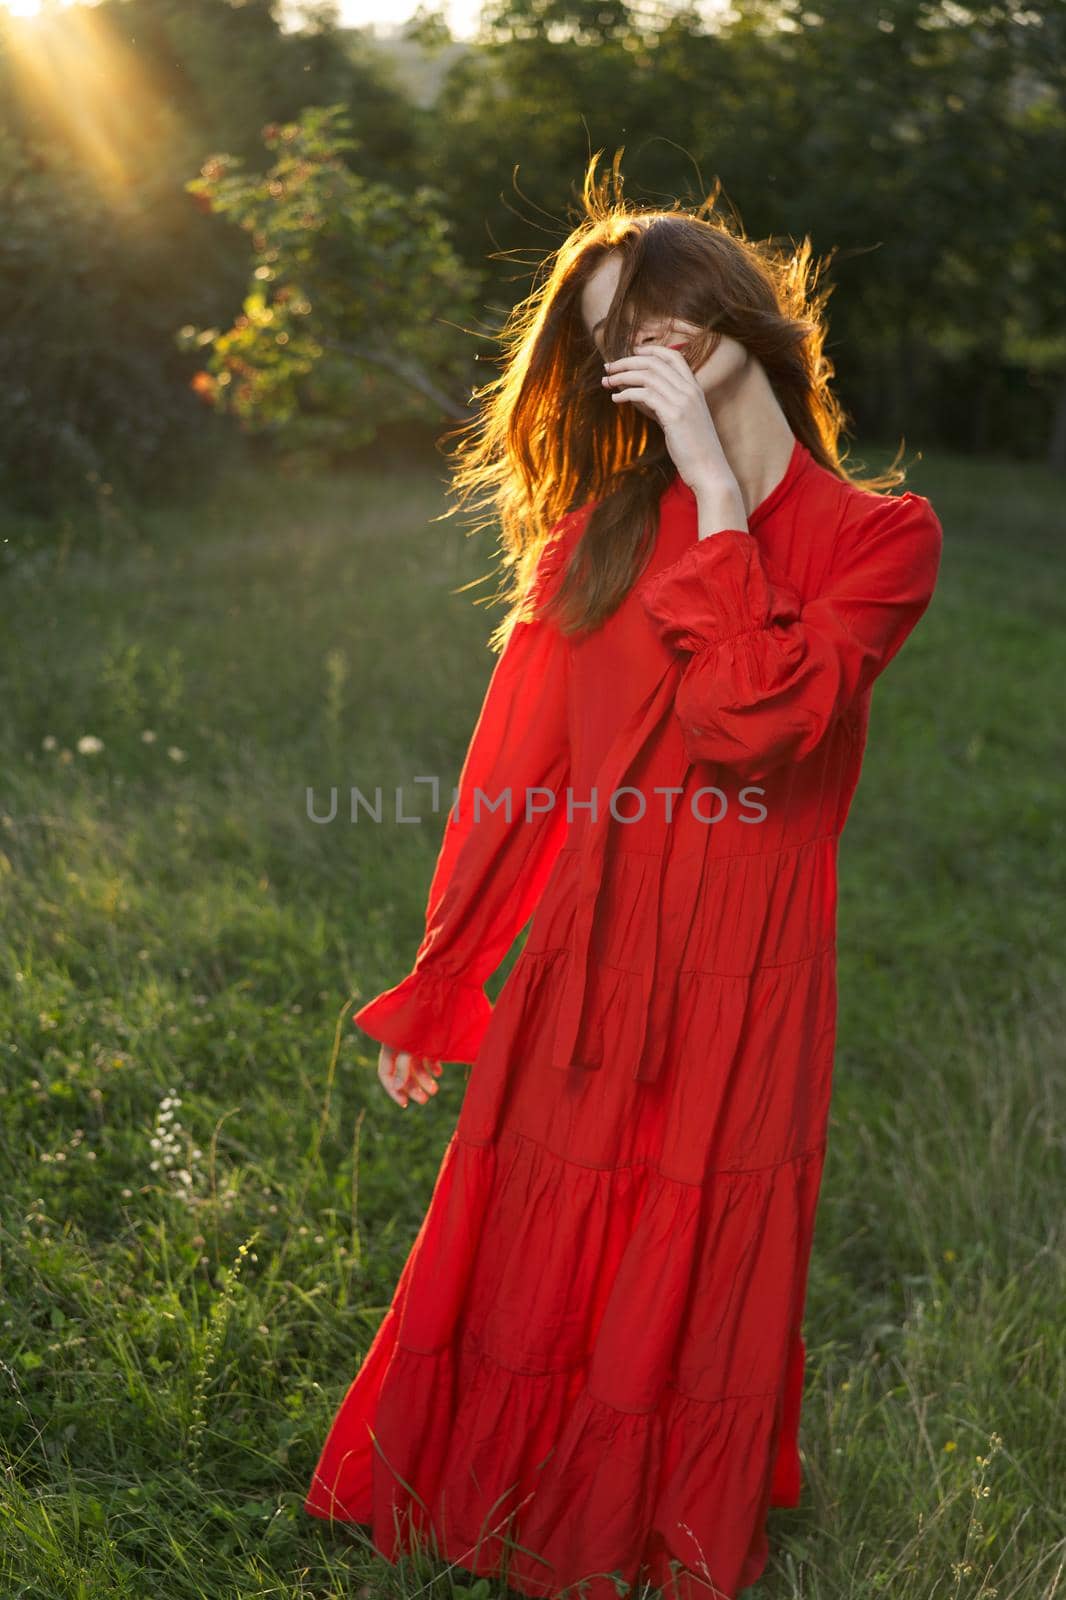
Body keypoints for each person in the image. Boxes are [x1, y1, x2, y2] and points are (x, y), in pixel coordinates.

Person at [303, 163, 944, 1600]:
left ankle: (643, 1513)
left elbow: (758, 724)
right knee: (548, 1233)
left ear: (728, 314)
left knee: (691, 1246)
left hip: (746, 971)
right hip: (587, 955)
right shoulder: (596, 538)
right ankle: (486, 1495)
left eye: (650, 310)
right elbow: (511, 770)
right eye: (603, 335)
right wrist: (447, 969)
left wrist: (720, 499)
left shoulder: (883, 541)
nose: (627, 350)